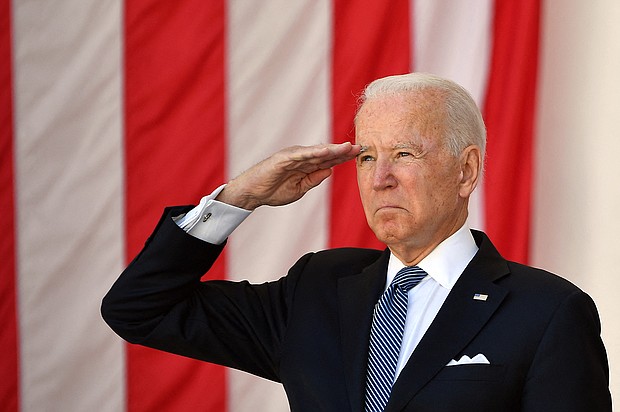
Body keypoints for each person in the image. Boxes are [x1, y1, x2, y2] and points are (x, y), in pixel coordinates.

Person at [102, 73, 611, 411]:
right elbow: (138, 308)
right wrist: (240, 197)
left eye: (405, 154)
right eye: (366, 157)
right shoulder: (317, 289)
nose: (380, 178)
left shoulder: (549, 311)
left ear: (466, 170)